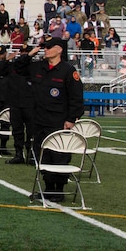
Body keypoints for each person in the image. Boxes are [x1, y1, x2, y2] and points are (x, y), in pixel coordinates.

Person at [29, 38, 84, 203]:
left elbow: (76, 97)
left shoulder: (68, 71)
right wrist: (32, 51)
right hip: (40, 120)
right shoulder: (39, 67)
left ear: (59, 49)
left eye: (48, 47)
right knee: (43, 154)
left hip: (59, 121)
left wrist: (72, 118)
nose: (45, 50)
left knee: (59, 156)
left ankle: (58, 190)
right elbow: (18, 67)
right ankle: (47, 188)